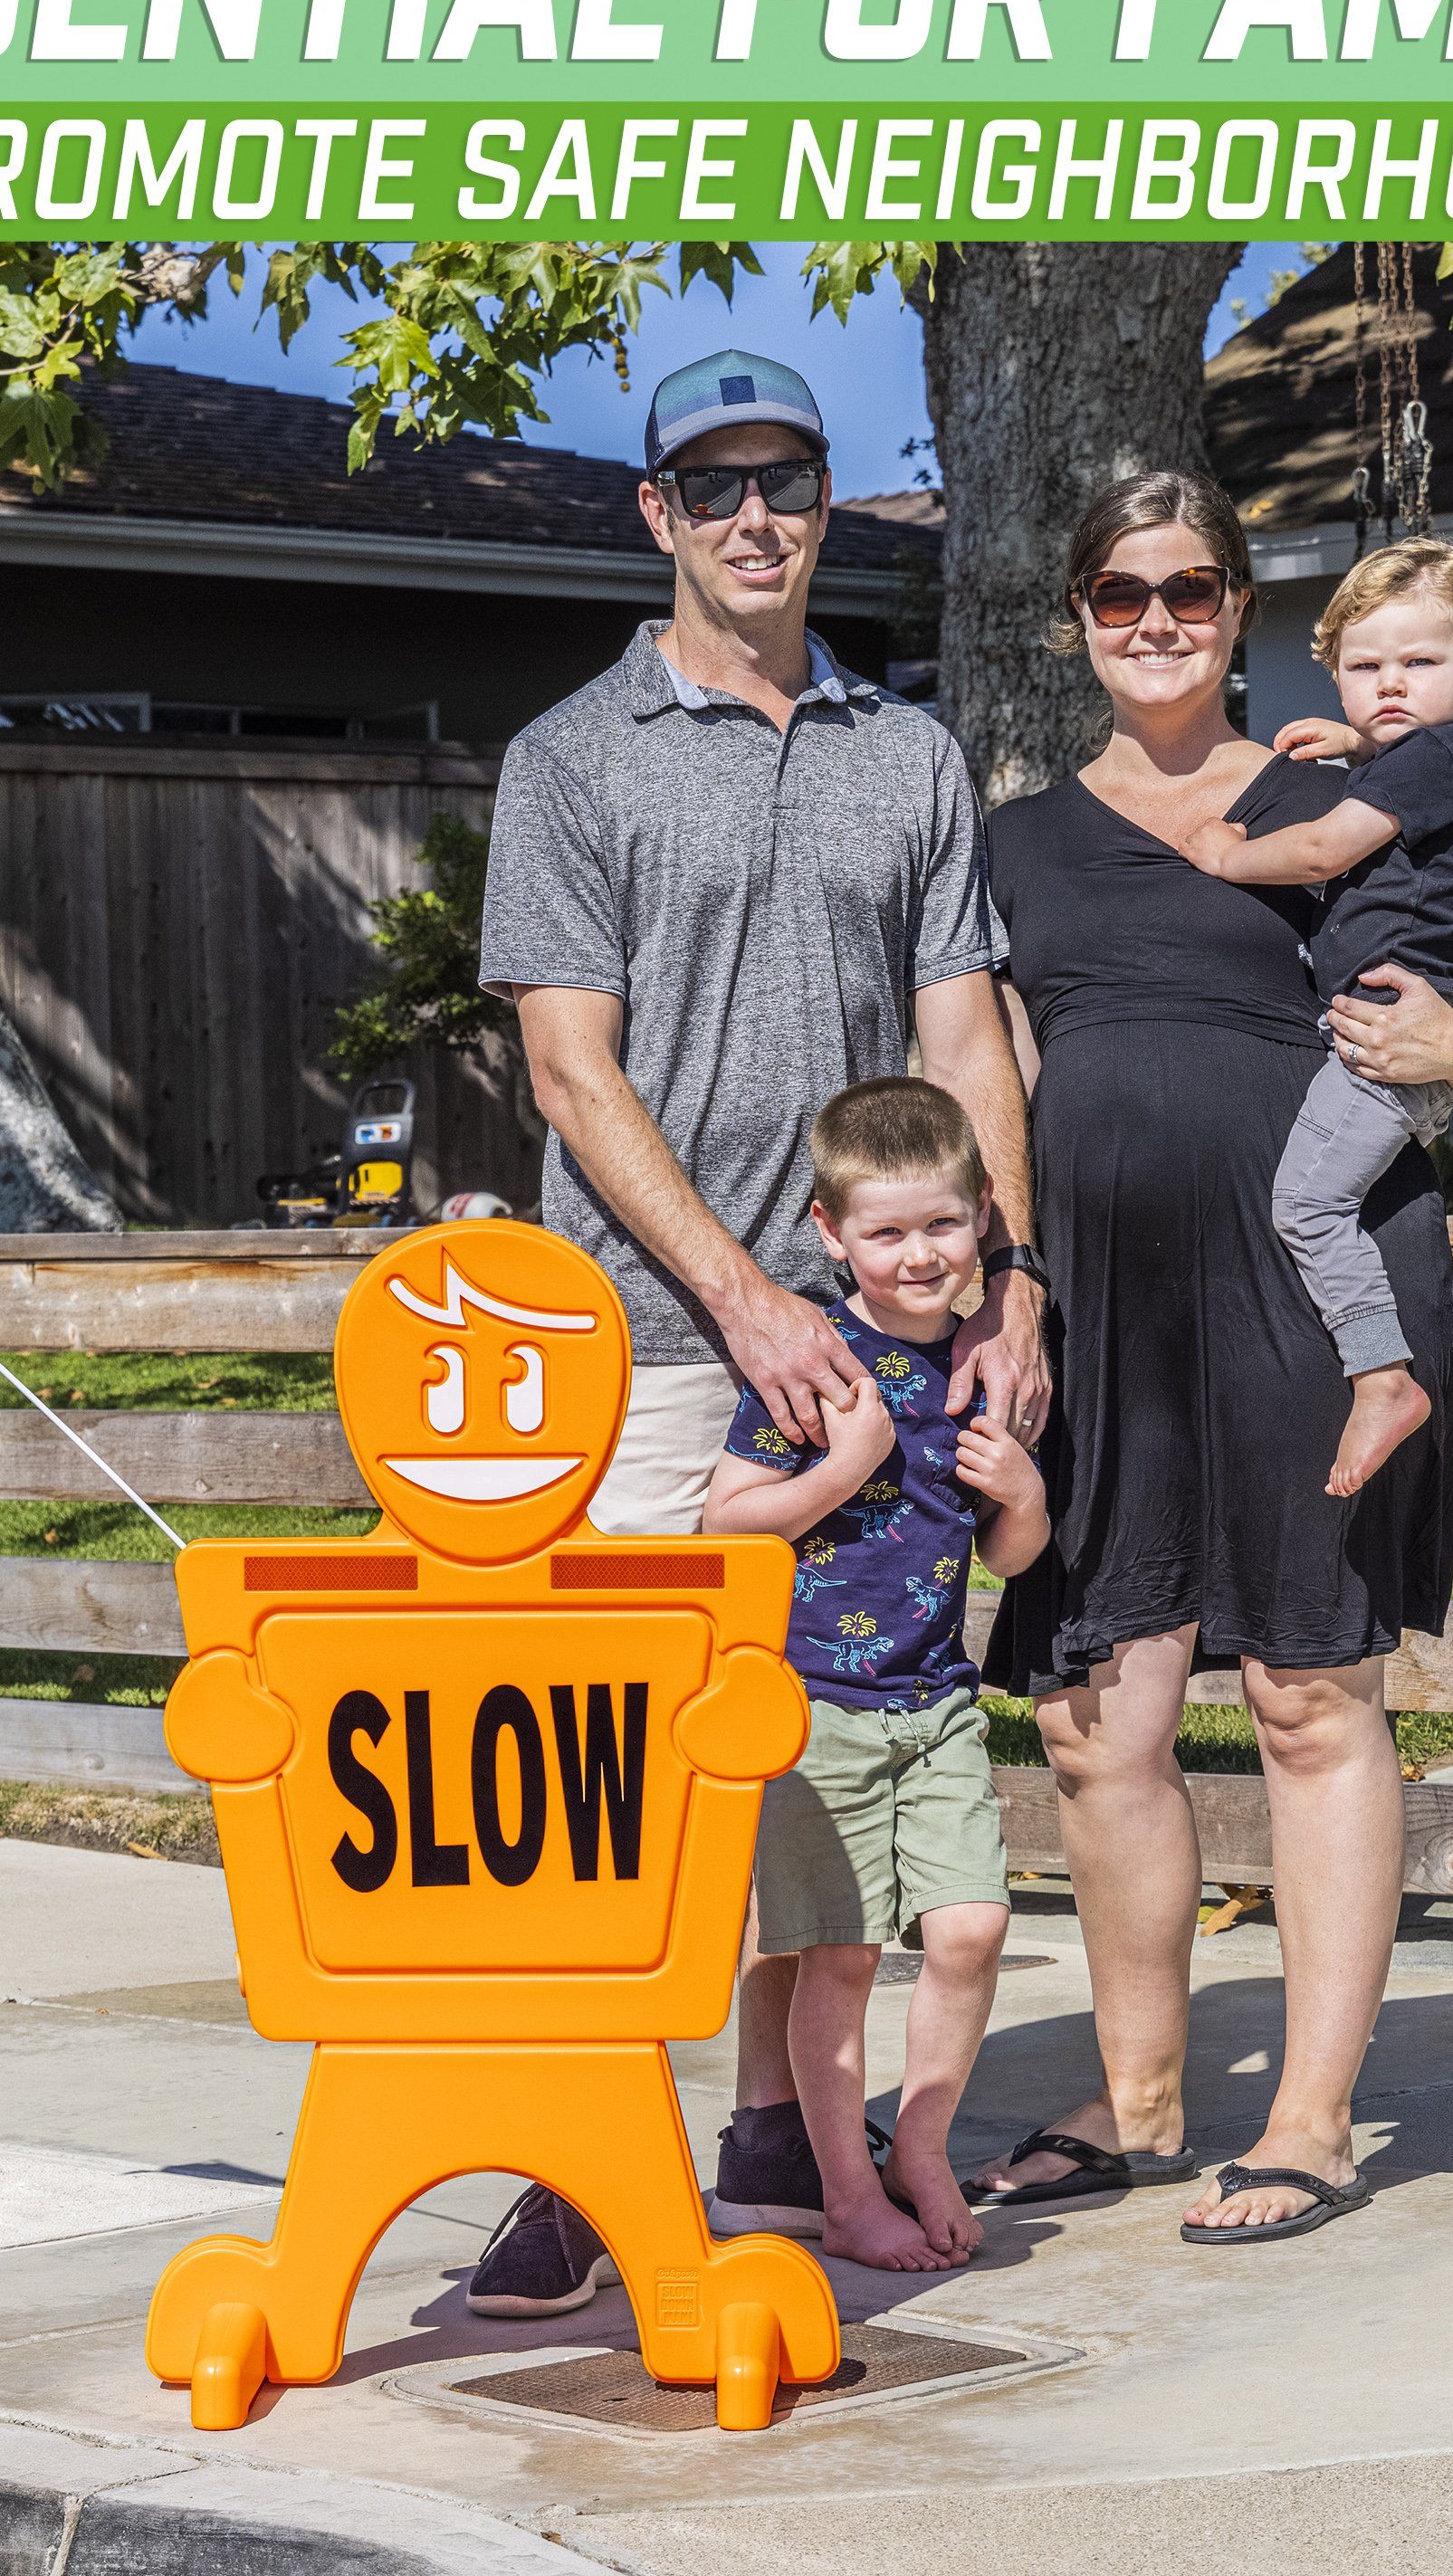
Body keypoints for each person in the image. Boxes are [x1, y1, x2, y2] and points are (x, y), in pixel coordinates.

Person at [466, 348, 1049, 2314]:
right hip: (656, 1340)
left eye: (784, 479)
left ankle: (774, 2125)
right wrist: (744, 1298)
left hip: (882, 1335)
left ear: (822, 499)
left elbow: (966, 1032)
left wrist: (1012, 1279)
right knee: (622, 1771)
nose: (752, 517)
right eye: (710, 485)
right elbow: (571, 1069)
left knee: (818, 1743)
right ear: (657, 513)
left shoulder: (910, 751)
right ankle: (581, 2150)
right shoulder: (573, 757)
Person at [966, 471, 1453, 2242]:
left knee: (1305, 1695)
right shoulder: (1014, 843)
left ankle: (1310, 2117)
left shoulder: (1341, 786)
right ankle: (1139, 2099)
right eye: (1120, 594)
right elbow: (992, 1074)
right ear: (1076, 619)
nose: (1156, 621)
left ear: (1236, 610)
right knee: (1098, 1718)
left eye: (1192, 590)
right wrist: (1004, 1287)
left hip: (1314, 1289)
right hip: (1103, 1306)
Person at [703, 1078, 1047, 2271]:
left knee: (973, 1926)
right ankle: (847, 2195)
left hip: (938, 1702)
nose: (919, 1255)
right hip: (815, 1715)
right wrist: (841, 1471)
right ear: (831, 1231)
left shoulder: (982, 1362)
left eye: (942, 1224)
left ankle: (924, 2147)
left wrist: (1026, 1500)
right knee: (840, 1957)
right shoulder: (813, 1362)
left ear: (984, 1213)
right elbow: (725, 1527)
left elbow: (1005, 1554)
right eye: (887, 1231)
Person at [1181, 539, 1453, 1498]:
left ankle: (1380, 1378)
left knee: (1307, 1205)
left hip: (1389, 1040)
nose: (1390, 684)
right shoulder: (1431, 761)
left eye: (1420, 663)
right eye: (1365, 668)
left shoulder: (1438, 756)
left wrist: (1226, 854)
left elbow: (1327, 848)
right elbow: (1403, 795)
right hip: (1390, 1035)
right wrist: (1361, 747)